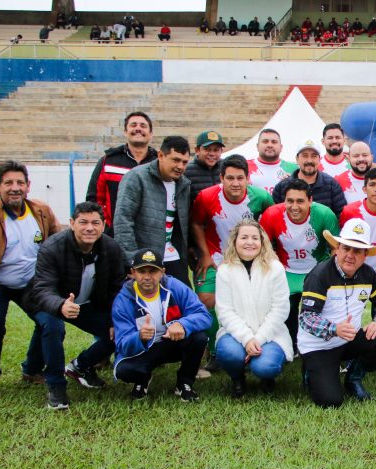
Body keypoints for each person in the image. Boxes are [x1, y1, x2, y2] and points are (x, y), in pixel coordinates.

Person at [0, 161, 60, 400]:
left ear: (28, 186)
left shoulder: (41, 210)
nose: (14, 188)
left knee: (50, 322)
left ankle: (32, 369)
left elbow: (59, 241)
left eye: (20, 182)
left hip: (32, 284)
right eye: (8, 183)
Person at [29, 202, 126, 409]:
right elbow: (42, 288)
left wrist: (114, 319)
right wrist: (60, 304)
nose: (89, 228)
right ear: (72, 223)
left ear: (103, 224)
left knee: (121, 330)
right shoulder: (51, 247)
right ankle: (56, 386)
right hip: (53, 303)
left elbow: (117, 288)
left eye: (95, 222)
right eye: (83, 222)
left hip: (87, 304)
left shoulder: (111, 247)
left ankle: (80, 366)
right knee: (53, 328)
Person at [298, 219, 376, 407]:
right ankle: (310, 370)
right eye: (346, 248)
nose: (350, 255)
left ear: (365, 255)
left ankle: (353, 378)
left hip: (348, 339)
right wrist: (334, 329)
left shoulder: (368, 274)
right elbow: (306, 317)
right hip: (319, 345)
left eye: (357, 251)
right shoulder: (320, 275)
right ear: (337, 248)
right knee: (331, 401)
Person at [191, 154, 273, 374]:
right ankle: (214, 350)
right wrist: (205, 254)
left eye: (240, 178)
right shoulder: (206, 197)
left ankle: (253, 343)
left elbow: (271, 222)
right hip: (217, 256)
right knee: (206, 300)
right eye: (230, 178)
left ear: (248, 178)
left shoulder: (261, 197)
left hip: (250, 257)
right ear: (221, 178)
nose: (235, 183)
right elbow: (197, 223)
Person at [112, 249, 211, 402]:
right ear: (132, 273)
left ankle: (184, 382)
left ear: (162, 272)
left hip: (171, 342)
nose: (147, 277)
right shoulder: (123, 300)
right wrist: (139, 337)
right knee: (124, 370)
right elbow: (122, 344)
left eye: (152, 271)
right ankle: (143, 378)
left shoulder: (174, 286)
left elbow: (204, 315)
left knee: (199, 338)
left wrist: (182, 324)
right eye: (141, 271)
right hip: (144, 349)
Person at [213, 220, 291, 397]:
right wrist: (247, 339)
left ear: (262, 242)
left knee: (265, 366)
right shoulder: (225, 270)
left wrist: (260, 338)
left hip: (271, 334)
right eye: (244, 237)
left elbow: (281, 309)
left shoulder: (275, 268)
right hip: (235, 334)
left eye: (255, 238)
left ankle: (267, 377)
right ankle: (237, 377)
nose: (250, 242)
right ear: (235, 241)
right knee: (229, 353)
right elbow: (225, 311)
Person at [261, 178, 340, 349]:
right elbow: (262, 246)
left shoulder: (325, 214)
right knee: (285, 309)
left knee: (320, 308)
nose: (294, 206)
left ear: (310, 201)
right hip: (286, 269)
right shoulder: (272, 214)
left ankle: (322, 343)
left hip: (315, 269)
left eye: (300, 201)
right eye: (289, 201)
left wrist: (327, 271)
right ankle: (291, 343)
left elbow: (336, 248)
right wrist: (274, 264)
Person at [114, 136, 193, 285]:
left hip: (172, 255)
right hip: (144, 259)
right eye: (175, 160)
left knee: (183, 302)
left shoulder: (184, 184)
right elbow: (122, 221)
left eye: (184, 162)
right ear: (161, 155)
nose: (180, 166)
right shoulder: (136, 177)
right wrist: (133, 261)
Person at [86, 111, 157, 236]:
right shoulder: (108, 161)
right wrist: (106, 225)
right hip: (114, 235)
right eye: (133, 125)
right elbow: (94, 199)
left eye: (143, 126)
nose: (138, 129)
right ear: (125, 131)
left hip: (151, 235)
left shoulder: (159, 163)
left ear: (151, 134)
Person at [272, 140, 346, 216]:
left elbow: (340, 216)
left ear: (319, 159)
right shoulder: (282, 187)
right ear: (297, 159)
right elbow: (274, 215)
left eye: (314, 156)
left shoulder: (331, 185)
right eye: (305, 156)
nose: (309, 160)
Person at [247, 128, 299, 195]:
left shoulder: (294, 169)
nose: (269, 145)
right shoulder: (244, 166)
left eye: (274, 142)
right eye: (265, 141)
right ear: (257, 146)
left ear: (281, 147)